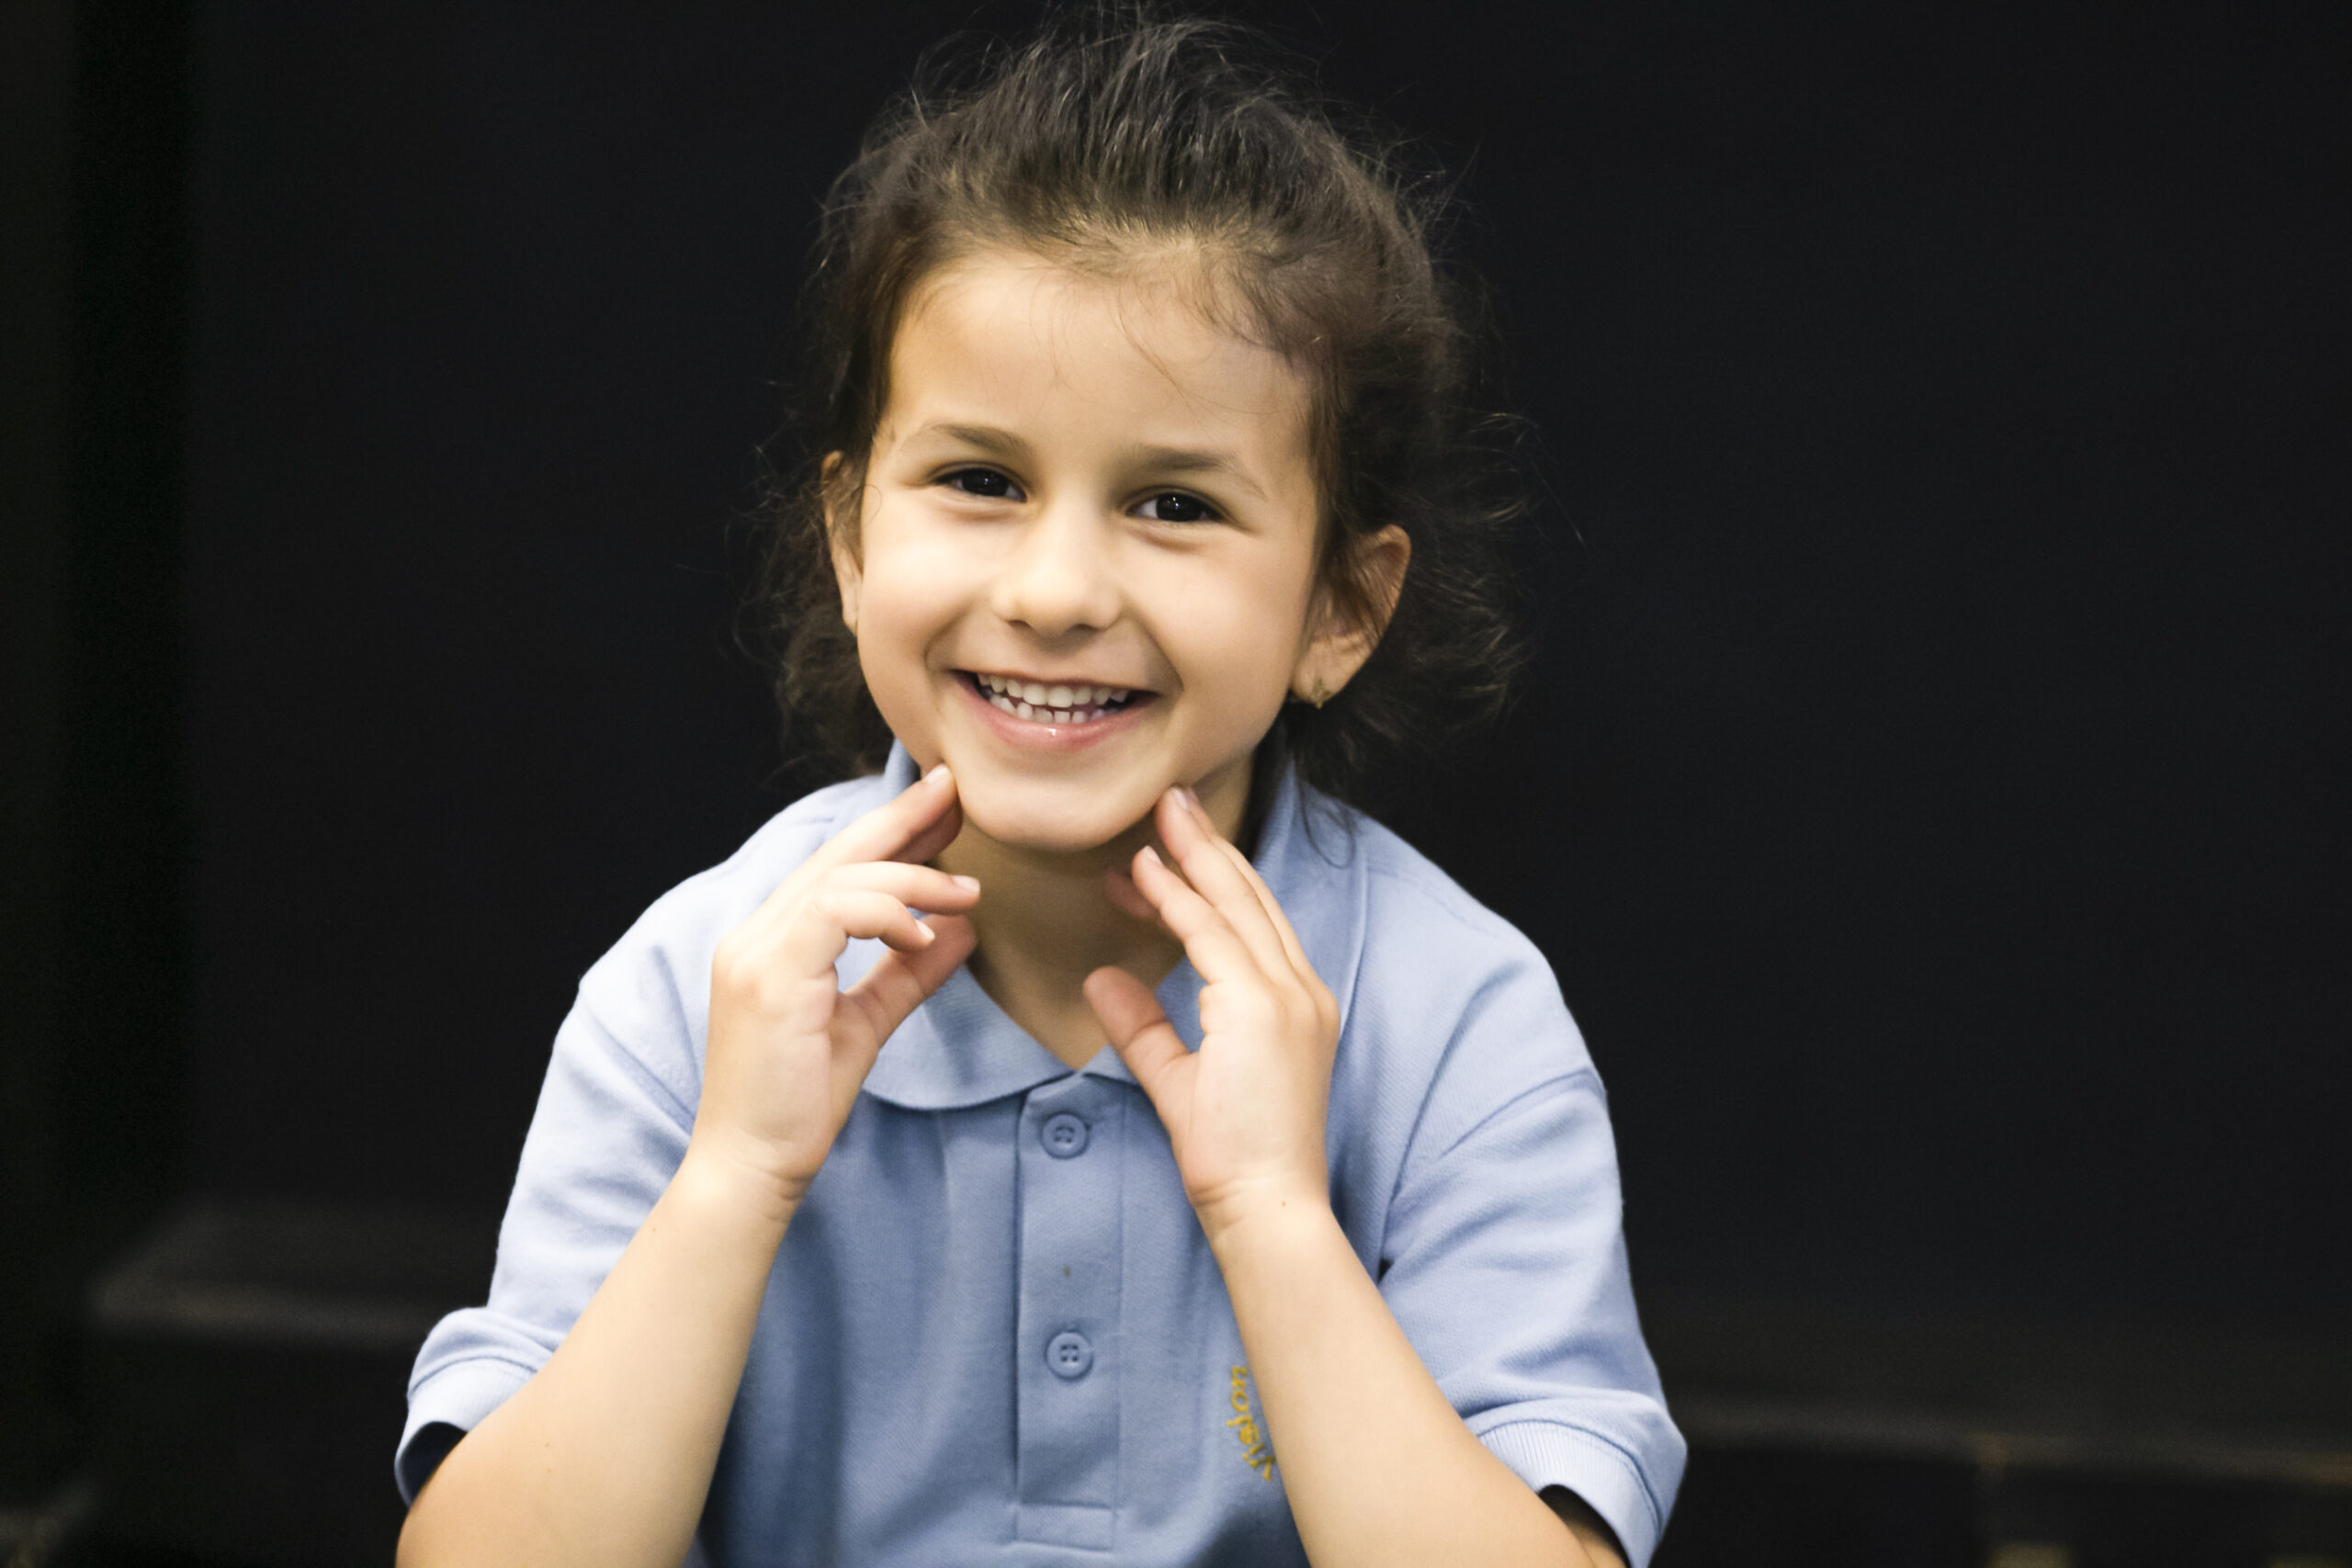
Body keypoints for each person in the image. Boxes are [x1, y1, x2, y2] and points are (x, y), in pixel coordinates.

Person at [394, 14, 1684, 1566]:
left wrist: (1273, 1214)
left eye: (1175, 502)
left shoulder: (1461, 1029)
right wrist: (737, 1175)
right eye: (981, 480)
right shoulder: (701, 993)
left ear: (1341, 608)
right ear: (853, 536)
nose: (1060, 588)